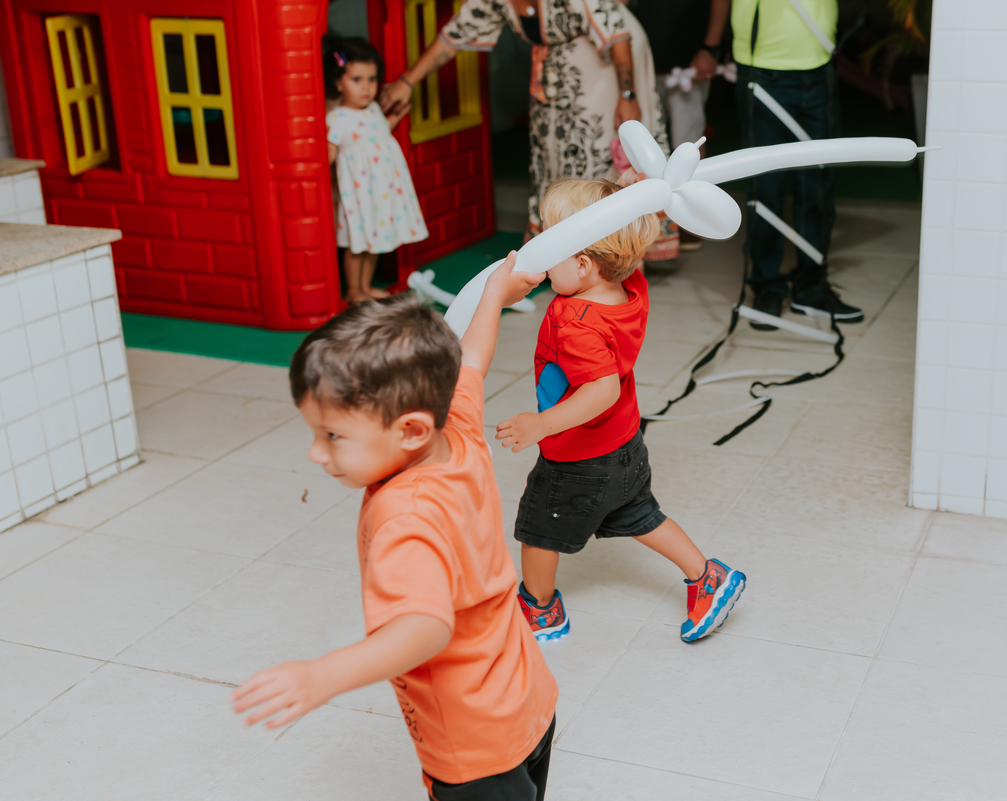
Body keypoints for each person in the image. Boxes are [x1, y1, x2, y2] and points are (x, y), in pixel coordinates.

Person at [230, 260, 559, 801]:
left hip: (472, 742)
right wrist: (494, 294)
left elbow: (423, 629)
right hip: (526, 697)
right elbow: (472, 361)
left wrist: (323, 677)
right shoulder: (454, 427)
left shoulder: (404, 516)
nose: (316, 453)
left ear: (409, 430)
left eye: (333, 435)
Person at [495, 177, 747, 643]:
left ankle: (540, 610)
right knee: (640, 514)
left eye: (550, 244)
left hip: (577, 455)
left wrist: (541, 424)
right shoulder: (630, 284)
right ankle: (707, 577)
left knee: (537, 530)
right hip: (624, 443)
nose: (538, 252)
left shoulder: (574, 321)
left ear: (586, 264)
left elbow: (601, 391)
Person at [377, 0, 669, 241]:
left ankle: (606, 244)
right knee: (547, 147)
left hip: (609, 57)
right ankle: (558, 239)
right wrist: (407, 81)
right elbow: (455, 34)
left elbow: (617, 34)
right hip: (554, 64)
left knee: (593, 147)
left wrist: (628, 95)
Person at [726, 0, 864, 328]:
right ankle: (766, 287)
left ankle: (811, 286)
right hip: (763, 69)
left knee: (817, 184)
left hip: (819, 65)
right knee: (766, 186)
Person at [324, 36, 428, 303]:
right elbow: (330, 153)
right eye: (356, 80)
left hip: (380, 191)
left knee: (374, 241)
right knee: (357, 244)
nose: (366, 87)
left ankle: (365, 286)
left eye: (371, 79)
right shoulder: (337, 118)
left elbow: (377, 136)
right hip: (357, 194)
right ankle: (354, 289)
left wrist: (394, 117)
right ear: (338, 82)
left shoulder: (372, 110)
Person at [628, 0, 730, 252]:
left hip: (688, 60)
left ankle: (690, 222)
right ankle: (649, 224)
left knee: (687, 143)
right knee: (642, 144)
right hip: (641, 56)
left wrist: (711, 48)